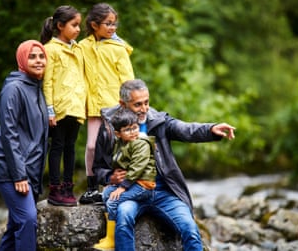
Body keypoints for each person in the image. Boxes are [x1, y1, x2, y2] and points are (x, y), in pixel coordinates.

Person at [92, 79, 236, 251]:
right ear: (122, 104)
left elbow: (186, 129)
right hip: (131, 192)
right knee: (123, 217)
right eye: (138, 104)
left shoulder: (158, 120)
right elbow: (98, 168)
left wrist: (210, 129)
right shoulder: (110, 128)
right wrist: (110, 177)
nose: (144, 109)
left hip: (163, 193)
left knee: (189, 228)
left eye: (146, 102)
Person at [0, 40, 48, 251]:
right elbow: (9, 133)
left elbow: (33, 134)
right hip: (11, 169)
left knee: (16, 224)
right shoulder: (13, 88)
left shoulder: (36, 87)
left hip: (29, 170)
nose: (39, 61)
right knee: (27, 220)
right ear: (22, 60)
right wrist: (19, 174)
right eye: (32, 57)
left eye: (41, 56)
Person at [79, 2, 135, 204]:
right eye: (108, 24)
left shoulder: (118, 48)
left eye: (114, 24)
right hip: (93, 107)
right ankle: (92, 186)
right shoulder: (82, 47)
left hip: (115, 108)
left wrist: (128, 105)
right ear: (94, 25)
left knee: (114, 147)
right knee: (93, 147)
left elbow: (128, 79)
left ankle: (115, 185)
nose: (113, 28)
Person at [40, 5, 85, 206]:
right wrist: (49, 109)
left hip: (76, 107)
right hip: (59, 108)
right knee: (57, 147)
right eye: (74, 25)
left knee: (70, 148)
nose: (78, 29)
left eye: (79, 25)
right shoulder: (50, 49)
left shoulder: (78, 49)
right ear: (60, 26)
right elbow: (47, 82)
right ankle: (55, 188)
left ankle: (68, 187)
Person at [93, 108, 157, 250]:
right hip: (132, 182)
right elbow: (118, 161)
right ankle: (108, 234)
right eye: (127, 130)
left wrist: (123, 187)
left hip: (143, 185)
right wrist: (113, 177)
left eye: (135, 127)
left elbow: (137, 167)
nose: (133, 132)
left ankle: (112, 239)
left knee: (113, 201)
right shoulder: (120, 143)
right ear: (118, 134)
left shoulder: (141, 143)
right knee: (106, 194)